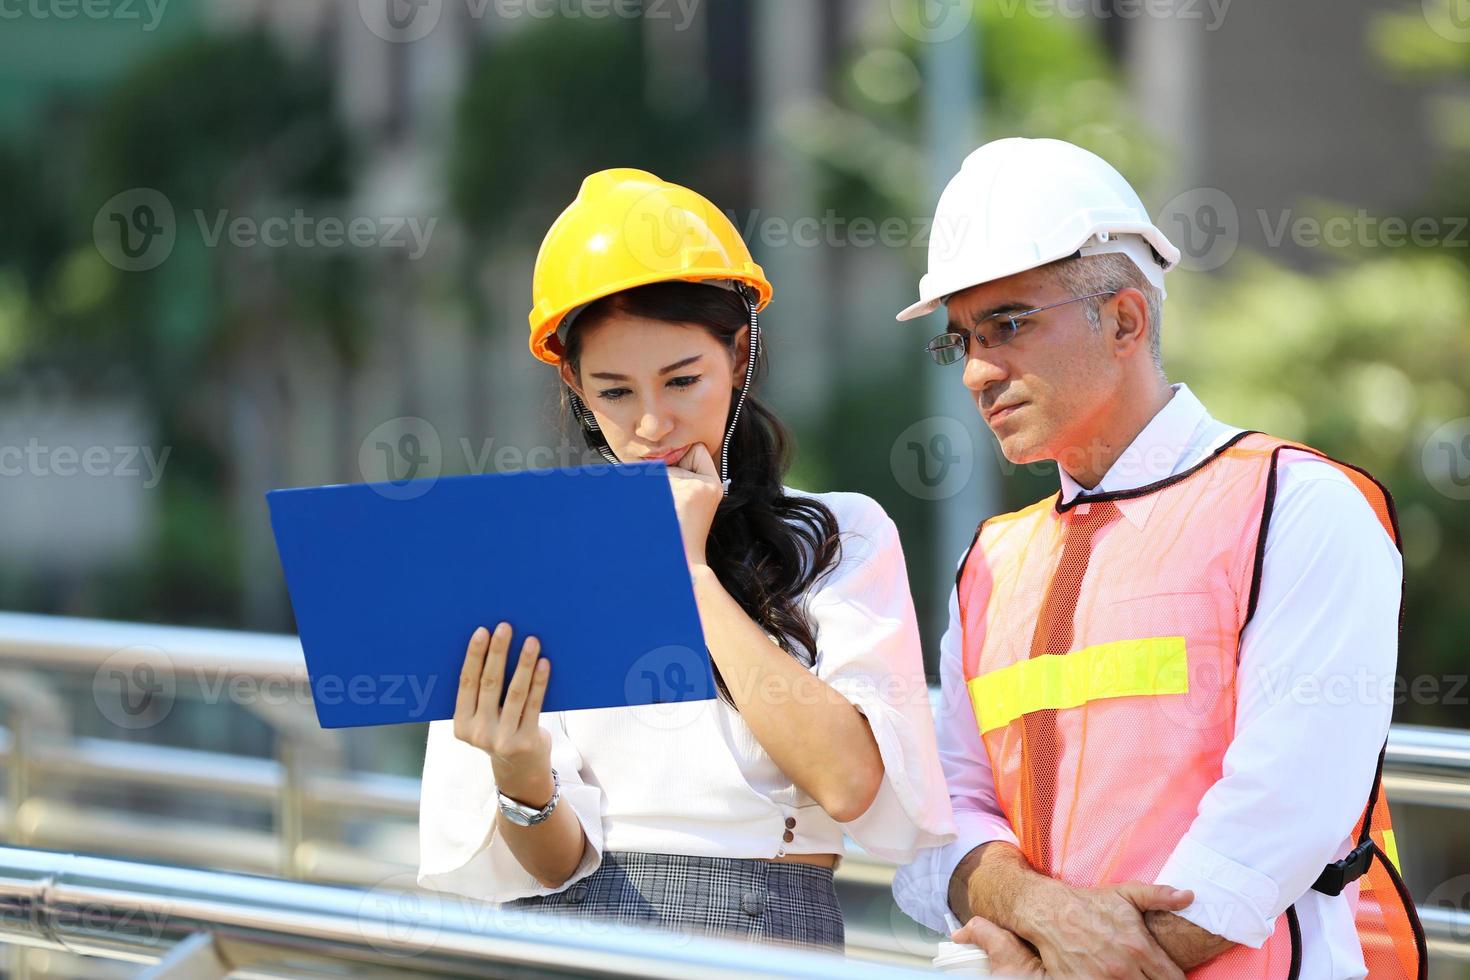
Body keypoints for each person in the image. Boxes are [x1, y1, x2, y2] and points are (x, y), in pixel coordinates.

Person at [890, 138, 1425, 979]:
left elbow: (1284, 814)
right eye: (962, 340)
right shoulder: (990, 561)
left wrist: (1067, 968)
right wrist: (1034, 913)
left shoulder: (1300, 504)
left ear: (1126, 320)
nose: (977, 373)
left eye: (1009, 325)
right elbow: (942, 822)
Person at [417, 168, 955, 953]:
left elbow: (847, 782)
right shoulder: (525, 559)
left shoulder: (837, 535)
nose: (652, 422)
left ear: (739, 355)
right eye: (615, 391)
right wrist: (519, 768)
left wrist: (688, 571)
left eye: (681, 380)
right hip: (567, 949)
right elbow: (554, 865)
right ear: (571, 383)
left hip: (762, 943)